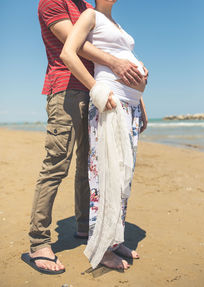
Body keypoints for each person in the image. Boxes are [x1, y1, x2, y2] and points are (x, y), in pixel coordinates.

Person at [21, 0, 146, 275]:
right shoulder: (52, 2)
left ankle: (84, 227)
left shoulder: (86, 5)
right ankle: (38, 242)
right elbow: (75, 46)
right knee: (56, 166)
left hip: (94, 97)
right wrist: (116, 63)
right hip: (66, 91)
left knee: (89, 170)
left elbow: (111, 45)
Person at [60, 0, 148, 270]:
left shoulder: (117, 24)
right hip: (110, 102)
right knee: (105, 176)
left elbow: (127, 62)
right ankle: (101, 250)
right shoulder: (90, 15)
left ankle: (114, 238)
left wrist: (142, 106)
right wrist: (98, 91)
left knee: (123, 176)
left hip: (130, 106)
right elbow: (68, 53)